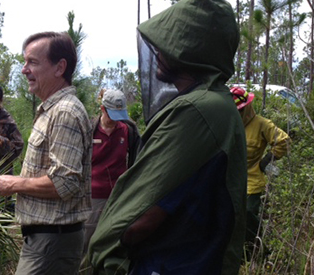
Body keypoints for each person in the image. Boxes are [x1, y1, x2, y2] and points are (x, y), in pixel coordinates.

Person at [87, 0, 248, 274]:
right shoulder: (216, 104)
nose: (158, 50)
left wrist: (106, 249)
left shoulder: (197, 110)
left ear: (192, 48)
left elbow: (139, 218)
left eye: (170, 41)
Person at [0, 31, 92, 275]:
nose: (24, 69)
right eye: (24, 62)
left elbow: (64, 183)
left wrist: (14, 183)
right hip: (45, 242)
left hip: (52, 243)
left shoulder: (65, 112)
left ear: (60, 68)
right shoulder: (51, 109)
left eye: (33, 62)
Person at [230, 86, 290, 259]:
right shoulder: (227, 122)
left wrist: (267, 160)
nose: (239, 114)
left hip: (252, 180)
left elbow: (283, 140)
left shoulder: (262, 124)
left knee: (248, 213)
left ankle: (257, 249)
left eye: (241, 110)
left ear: (248, 106)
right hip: (228, 178)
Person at [83, 89, 140, 254]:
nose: (116, 121)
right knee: (87, 243)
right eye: (112, 115)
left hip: (118, 197)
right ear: (103, 109)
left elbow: (137, 159)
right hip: (92, 198)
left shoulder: (128, 131)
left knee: (112, 244)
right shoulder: (89, 130)